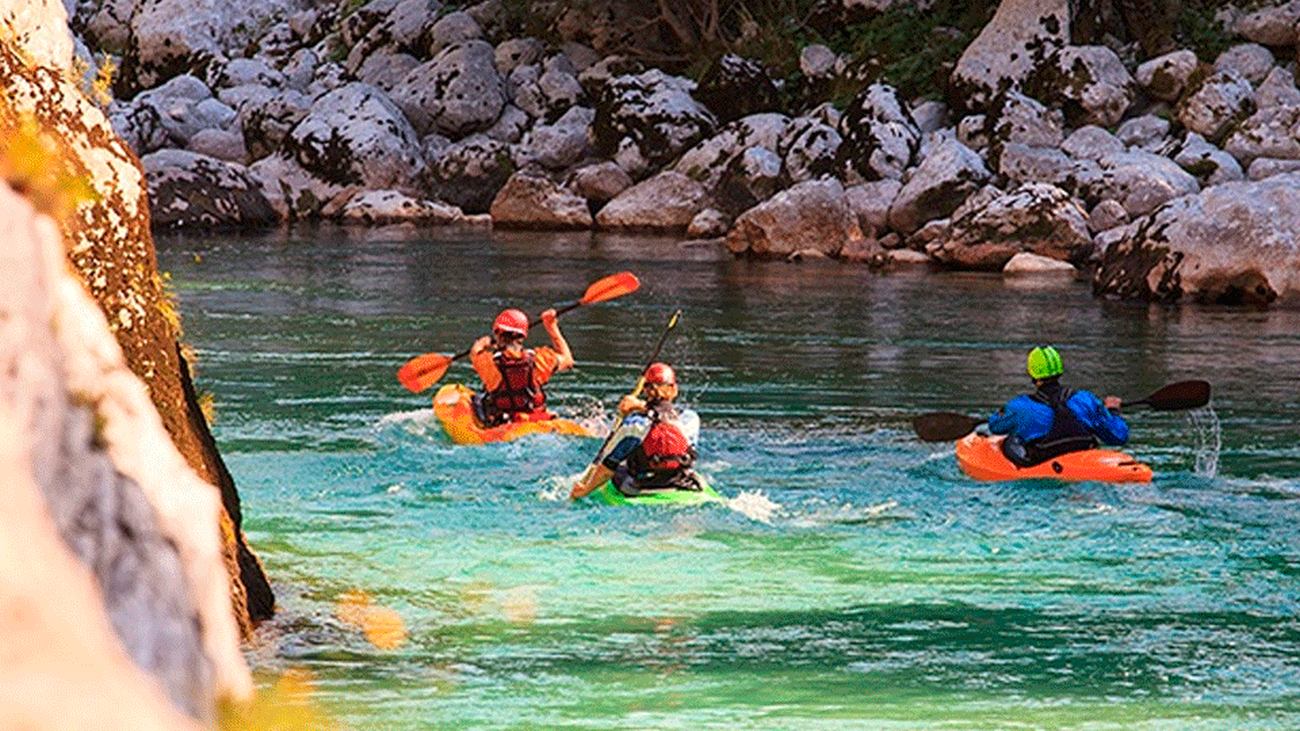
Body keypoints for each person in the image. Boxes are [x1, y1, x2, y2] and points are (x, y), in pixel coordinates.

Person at [570, 362, 702, 499]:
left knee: (619, 466)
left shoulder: (635, 424)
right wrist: (641, 406)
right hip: (680, 482)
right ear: (674, 389)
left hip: (641, 486)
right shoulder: (690, 419)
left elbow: (606, 469)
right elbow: (666, 416)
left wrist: (583, 491)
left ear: (645, 391)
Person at [988, 345, 1130, 467]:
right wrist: (1112, 411)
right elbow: (1119, 436)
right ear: (1060, 370)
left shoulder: (1020, 406)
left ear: (1032, 374)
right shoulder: (1085, 400)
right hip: (1083, 460)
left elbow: (995, 426)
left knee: (1011, 441)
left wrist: (1002, 414)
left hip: (1045, 465)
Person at [469, 307, 574, 425]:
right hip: (539, 422)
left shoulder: (489, 363)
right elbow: (568, 360)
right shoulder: (540, 359)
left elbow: (475, 352)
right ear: (523, 336)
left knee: (477, 400)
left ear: (498, 334)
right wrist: (551, 326)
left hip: (507, 425)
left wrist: (483, 343)